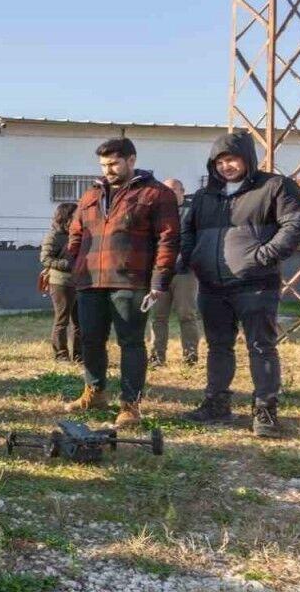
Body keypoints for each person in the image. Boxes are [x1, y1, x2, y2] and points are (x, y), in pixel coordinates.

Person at [180, 131, 300, 438]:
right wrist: (193, 258)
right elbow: (187, 232)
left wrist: (264, 255)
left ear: (248, 159)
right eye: (220, 161)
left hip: (256, 284)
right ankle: (216, 404)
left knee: (261, 346)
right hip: (212, 285)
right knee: (217, 346)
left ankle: (265, 411)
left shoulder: (275, 186)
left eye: (232, 159)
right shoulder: (204, 196)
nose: (226, 166)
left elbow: (298, 223)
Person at [63, 138, 179, 427]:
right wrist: (76, 264)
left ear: (131, 160)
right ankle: (95, 393)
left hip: (131, 281)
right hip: (90, 281)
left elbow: (168, 239)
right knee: (90, 340)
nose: (108, 170)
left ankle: (130, 405)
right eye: (103, 165)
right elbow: (76, 232)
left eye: (114, 164)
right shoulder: (91, 194)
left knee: (131, 343)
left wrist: (158, 280)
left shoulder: (156, 194)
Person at [147, 178, 202, 367]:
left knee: (187, 314)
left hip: (185, 273)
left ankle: (190, 356)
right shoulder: (156, 212)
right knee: (158, 316)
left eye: (173, 189)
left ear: (182, 191)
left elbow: (198, 239)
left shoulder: (192, 212)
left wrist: (190, 261)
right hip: (159, 273)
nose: (168, 193)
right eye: (165, 190)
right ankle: (157, 357)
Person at [40, 202, 81, 363]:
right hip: (60, 283)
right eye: (75, 216)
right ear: (66, 217)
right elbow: (45, 259)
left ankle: (79, 355)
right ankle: (61, 355)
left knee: (80, 322)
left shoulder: (79, 234)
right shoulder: (54, 236)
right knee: (62, 320)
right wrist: (66, 264)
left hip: (79, 282)